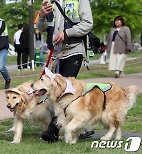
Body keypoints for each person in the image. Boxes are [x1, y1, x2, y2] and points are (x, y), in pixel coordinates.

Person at [36, 0, 93, 142]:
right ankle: (81, 128)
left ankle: (52, 130)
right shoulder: (50, 2)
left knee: (63, 90)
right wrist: (42, 16)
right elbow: (41, 28)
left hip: (74, 50)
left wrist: (67, 33)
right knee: (58, 93)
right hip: (56, 54)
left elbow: (88, 23)